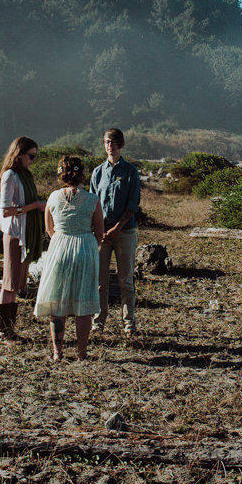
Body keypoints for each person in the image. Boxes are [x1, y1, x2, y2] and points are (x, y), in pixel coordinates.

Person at [34, 155, 104, 361]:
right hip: (85, 247)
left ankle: (58, 352)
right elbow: (100, 232)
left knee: (57, 303)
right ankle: (82, 353)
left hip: (59, 247)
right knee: (84, 304)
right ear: (82, 174)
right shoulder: (92, 200)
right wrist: (88, 243)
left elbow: (49, 228)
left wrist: (62, 240)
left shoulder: (53, 198)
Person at [0, 136, 46, 343]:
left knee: (15, 283)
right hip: (15, 233)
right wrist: (34, 206)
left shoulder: (25, 175)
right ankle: (3, 331)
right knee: (9, 282)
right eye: (31, 156)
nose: (33, 160)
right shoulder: (10, 176)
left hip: (23, 233)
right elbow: (5, 210)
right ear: (19, 154)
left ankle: (8, 330)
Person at [90, 127, 141, 338]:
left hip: (124, 232)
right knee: (99, 281)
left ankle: (129, 324)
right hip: (101, 234)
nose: (109, 146)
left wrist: (116, 228)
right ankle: (97, 323)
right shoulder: (97, 172)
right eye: (106, 142)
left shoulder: (130, 171)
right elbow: (93, 203)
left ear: (121, 144)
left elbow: (132, 204)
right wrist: (99, 230)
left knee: (125, 280)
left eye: (113, 142)